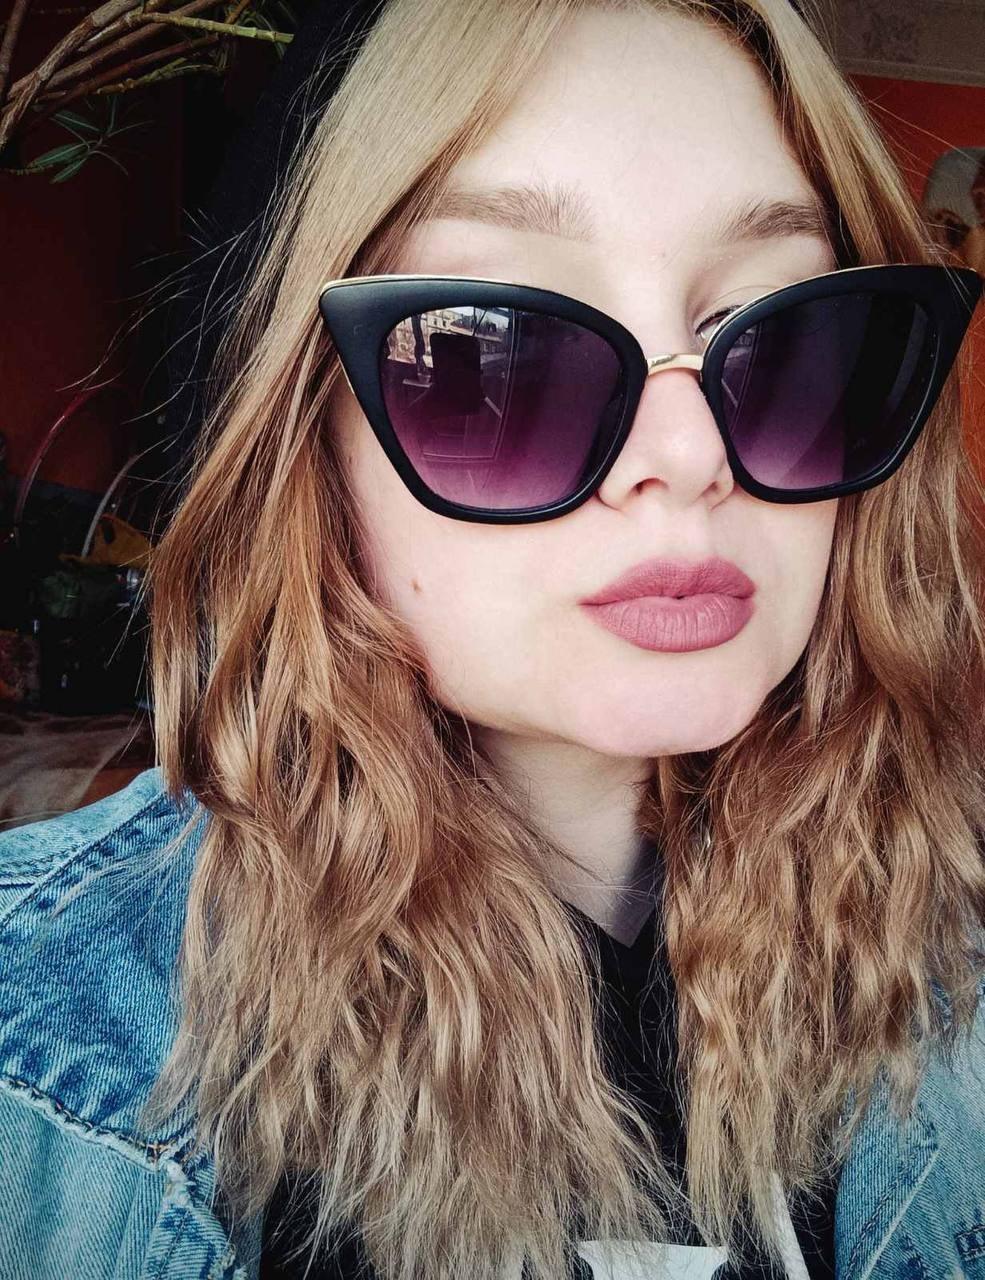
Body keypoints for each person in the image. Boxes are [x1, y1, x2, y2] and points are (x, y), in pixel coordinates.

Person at [1, 1, 984, 1278]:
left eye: (777, 329)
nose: (688, 454)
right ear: (304, 435)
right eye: (497, 351)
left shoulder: (953, 961)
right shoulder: (38, 1059)